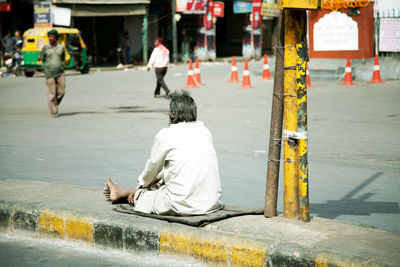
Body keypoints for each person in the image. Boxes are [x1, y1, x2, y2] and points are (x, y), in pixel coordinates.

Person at [104, 91, 223, 216]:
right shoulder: (205, 132)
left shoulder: (166, 134)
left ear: (171, 115)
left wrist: (142, 186)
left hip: (182, 204)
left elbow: (152, 168)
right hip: (211, 202)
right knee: (161, 182)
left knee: (143, 196)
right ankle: (123, 191)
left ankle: (125, 193)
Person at [40, 29, 66, 118]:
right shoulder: (45, 48)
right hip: (49, 72)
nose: (50, 38)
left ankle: (54, 103)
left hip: (60, 72)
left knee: (62, 91)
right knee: (52, 93)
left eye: (52, 37)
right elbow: (42, 59)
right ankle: (54, 111)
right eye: (49, 37)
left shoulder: (61, 47)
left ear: (56, 38)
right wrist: (46, 68)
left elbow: (63, 58)